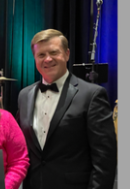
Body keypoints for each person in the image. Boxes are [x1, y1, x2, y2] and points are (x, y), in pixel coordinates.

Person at [16, 29, 117, 189]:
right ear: (34, 58)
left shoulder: (92, 95)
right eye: (41, 55)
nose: (47, 59)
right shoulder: (24, 95)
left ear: (67, 54)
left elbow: (105, 160)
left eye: (54, 52)